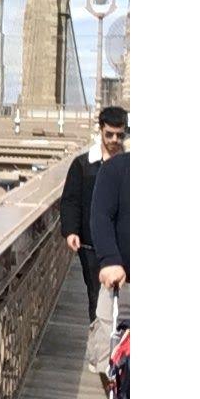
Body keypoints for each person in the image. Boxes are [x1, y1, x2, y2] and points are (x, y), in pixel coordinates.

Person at [60, 106, 128, 322]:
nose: (115, 140)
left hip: (122, 246)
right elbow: (70, 200)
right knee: (95, 294)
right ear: (100, 131)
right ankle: (98, 332)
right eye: (109, 134)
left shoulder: (129, 167)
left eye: (120, 134)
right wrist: (71, 230)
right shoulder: (82, 165)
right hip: (90, 246)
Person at [85, 147, 130, 376]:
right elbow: (100, 215)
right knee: (105, 358)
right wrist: (110, 259)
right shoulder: (116, 170)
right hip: (121, 285)